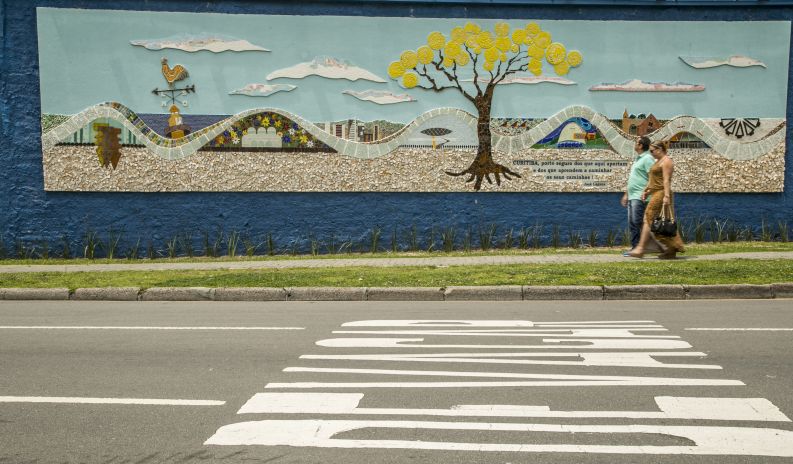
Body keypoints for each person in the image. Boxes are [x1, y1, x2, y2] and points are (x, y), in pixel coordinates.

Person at [628, 141, 685, 259]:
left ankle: (640, 248)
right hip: (656, 193)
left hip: (662, 193)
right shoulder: (658, 161)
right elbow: (655, 180)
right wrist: (647, 191)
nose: (651, 153)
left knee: (648, 217)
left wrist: (666, 196)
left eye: (652, 151)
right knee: (662, 221)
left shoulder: (667, 161)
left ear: (659, 149)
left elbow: (666, 180)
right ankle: (671, 249)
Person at [621, 136, 655, 255]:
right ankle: (637, 247)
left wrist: (646, 192)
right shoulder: (638, 159)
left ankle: (639, 248)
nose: (634, 144)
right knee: (633, 223)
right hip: (632, 196)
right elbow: (633, 179)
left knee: (637, 222)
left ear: (640, 145)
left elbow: (652, 177)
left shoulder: (647, 158)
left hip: (640, 196)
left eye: (636, 142)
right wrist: (626, 194)